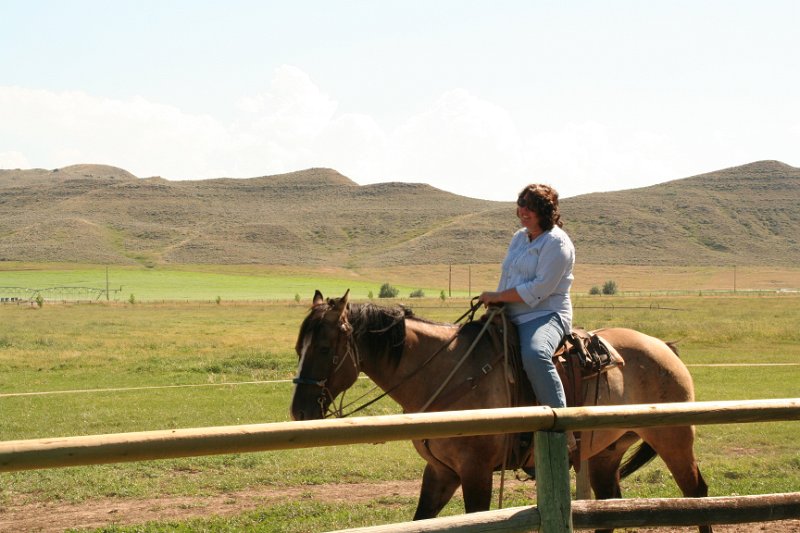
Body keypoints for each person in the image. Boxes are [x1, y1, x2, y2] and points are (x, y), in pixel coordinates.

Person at [478, 183, 575, 409]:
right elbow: (509, 274)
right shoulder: (519, 237)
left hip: (545, 315)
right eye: (521, 205)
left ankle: (560, 425)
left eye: (531, 207)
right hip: (510, 313)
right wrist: (496, 303)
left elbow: (539, 289)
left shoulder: (556, 242)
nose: (524, 212)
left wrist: (499, 296)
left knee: (535, 355)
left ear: (546, 211)